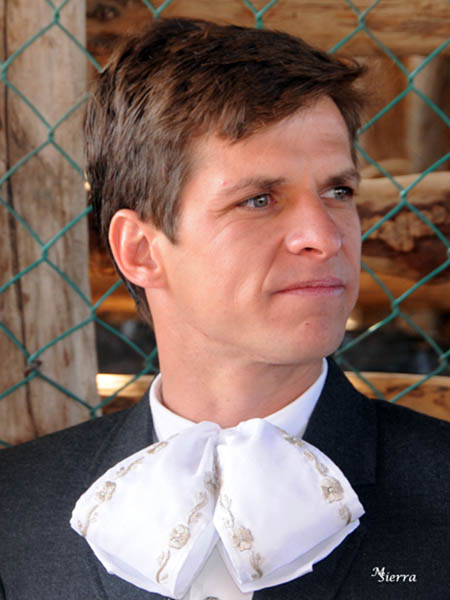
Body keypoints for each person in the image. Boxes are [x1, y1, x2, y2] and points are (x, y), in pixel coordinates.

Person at [0, 17, 449, 600]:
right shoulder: (15, 512)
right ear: (140, 252)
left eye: (338, 191)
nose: (324, 236)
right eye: (259, 199)